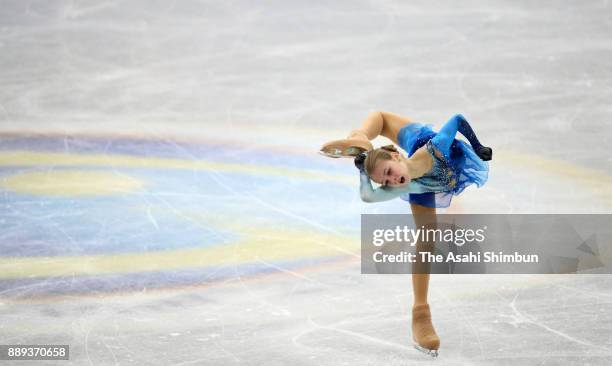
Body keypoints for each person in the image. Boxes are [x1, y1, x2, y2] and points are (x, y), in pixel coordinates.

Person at [319, 111, 491, 357]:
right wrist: (362, 172)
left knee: (381, 118)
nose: (393, 181)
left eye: (389, 172)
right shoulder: (407, 184)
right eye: (385, 182)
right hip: (424, 183)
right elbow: (368, 196)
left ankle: (360, 140)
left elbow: (458, 119)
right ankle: (421, 313)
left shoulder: (435, 146)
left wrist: (478, 146)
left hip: (426, 146)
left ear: (395, 155)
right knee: (427, 241)